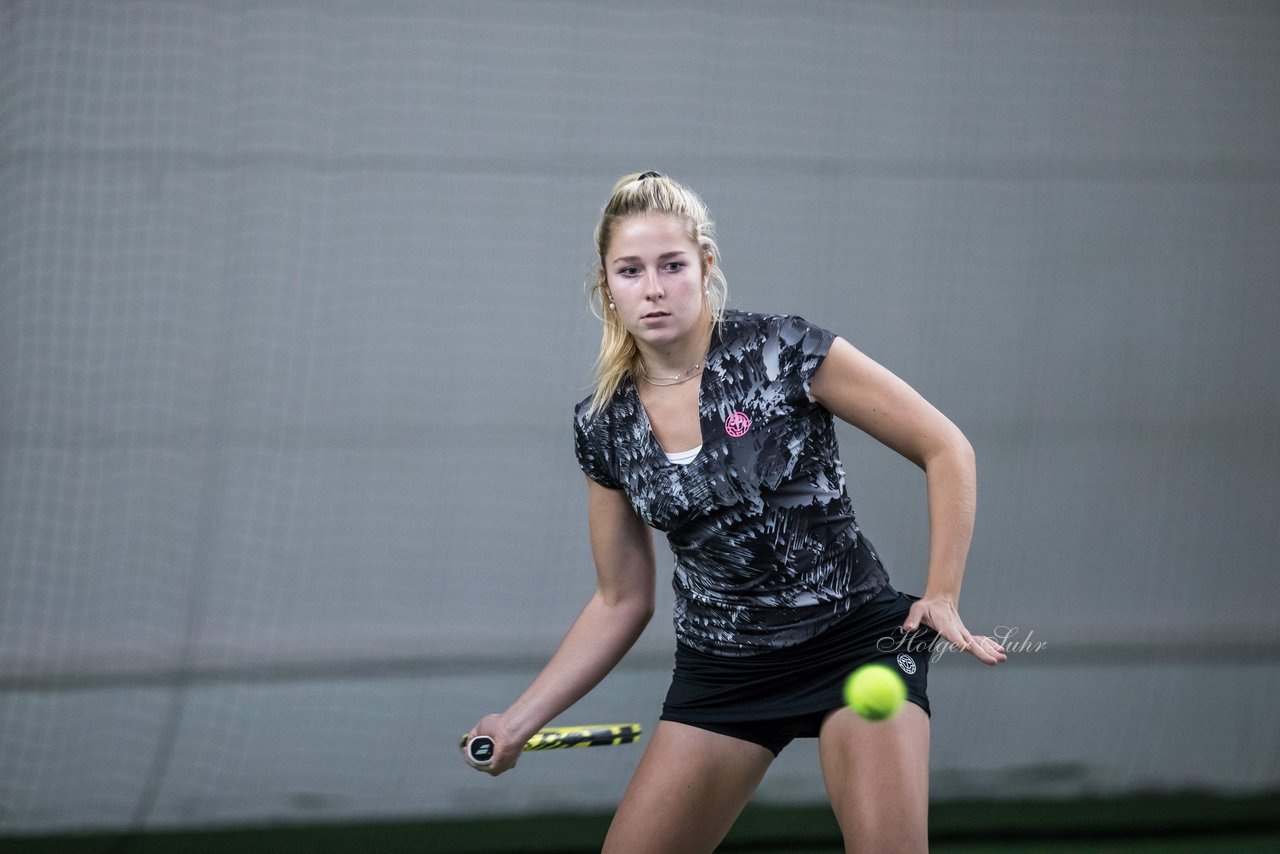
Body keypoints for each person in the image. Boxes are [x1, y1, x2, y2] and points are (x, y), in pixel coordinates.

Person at [463, 171, 1006, 853]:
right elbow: (620, 601)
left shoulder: (783, 350)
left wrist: (944, 594)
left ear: (705, 267)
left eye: (672, 266)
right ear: (607, 286)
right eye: (631, 271)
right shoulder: (602, 424)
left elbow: (945, 447)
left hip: (854, 646)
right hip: (723, 670)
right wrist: (517, 722)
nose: (654, 288)